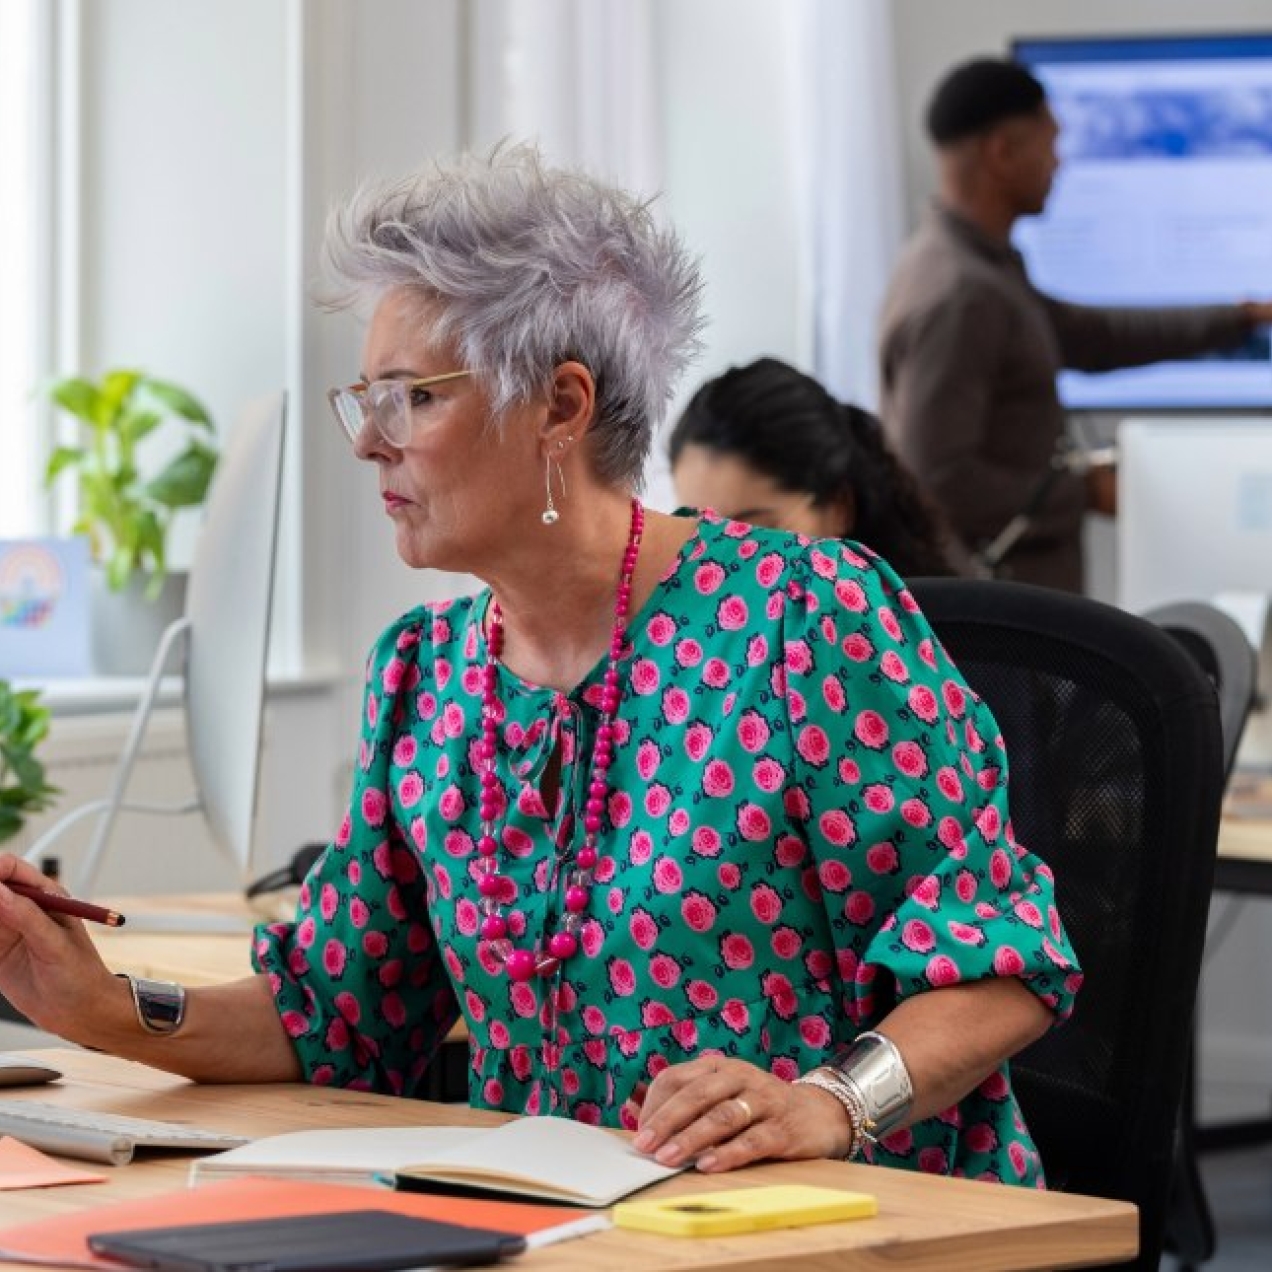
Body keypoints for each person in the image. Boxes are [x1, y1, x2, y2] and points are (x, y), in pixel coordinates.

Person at [0, 143, 1080, 1187]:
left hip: (852, 1224)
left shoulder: (808, 621)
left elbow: (999, 963)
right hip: (574, 1233)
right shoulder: (422, 677)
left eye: (414, 396)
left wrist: (830, 1102)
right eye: (366, 398)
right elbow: (336, 1009)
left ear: (560, 407)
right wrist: (96, 1007)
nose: (370, 440)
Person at [878, 56, 1272, 593]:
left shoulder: (981, 268)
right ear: (1003, 152)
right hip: (999, 623)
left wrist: (1240, 319)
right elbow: (937, 481)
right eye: (1050, 143)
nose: (1059, 164)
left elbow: (1092, 336)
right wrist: (1081, 492)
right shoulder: (961, 294)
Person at [668, 356, 957, 577]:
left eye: (753, 534)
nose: (721, 568)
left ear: (838, 509)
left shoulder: (911, 643)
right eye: (698, 539)